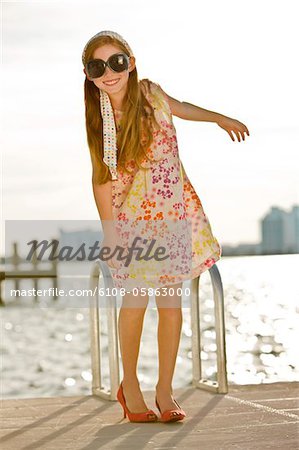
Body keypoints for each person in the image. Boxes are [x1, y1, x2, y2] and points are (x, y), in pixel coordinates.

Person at [82, 30, 249, 423]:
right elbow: (100, 179)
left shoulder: (152, 94)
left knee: (172, 308)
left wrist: (218, 118)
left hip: (171, 214)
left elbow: (182, 107)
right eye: (98, 66)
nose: (110, 72)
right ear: (88, 74)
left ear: (132, 62)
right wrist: (110, 234)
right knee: (136, 305)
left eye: (117, 62)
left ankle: (165, 390)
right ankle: (131, 387)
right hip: (133, 223)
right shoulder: (100, 119)